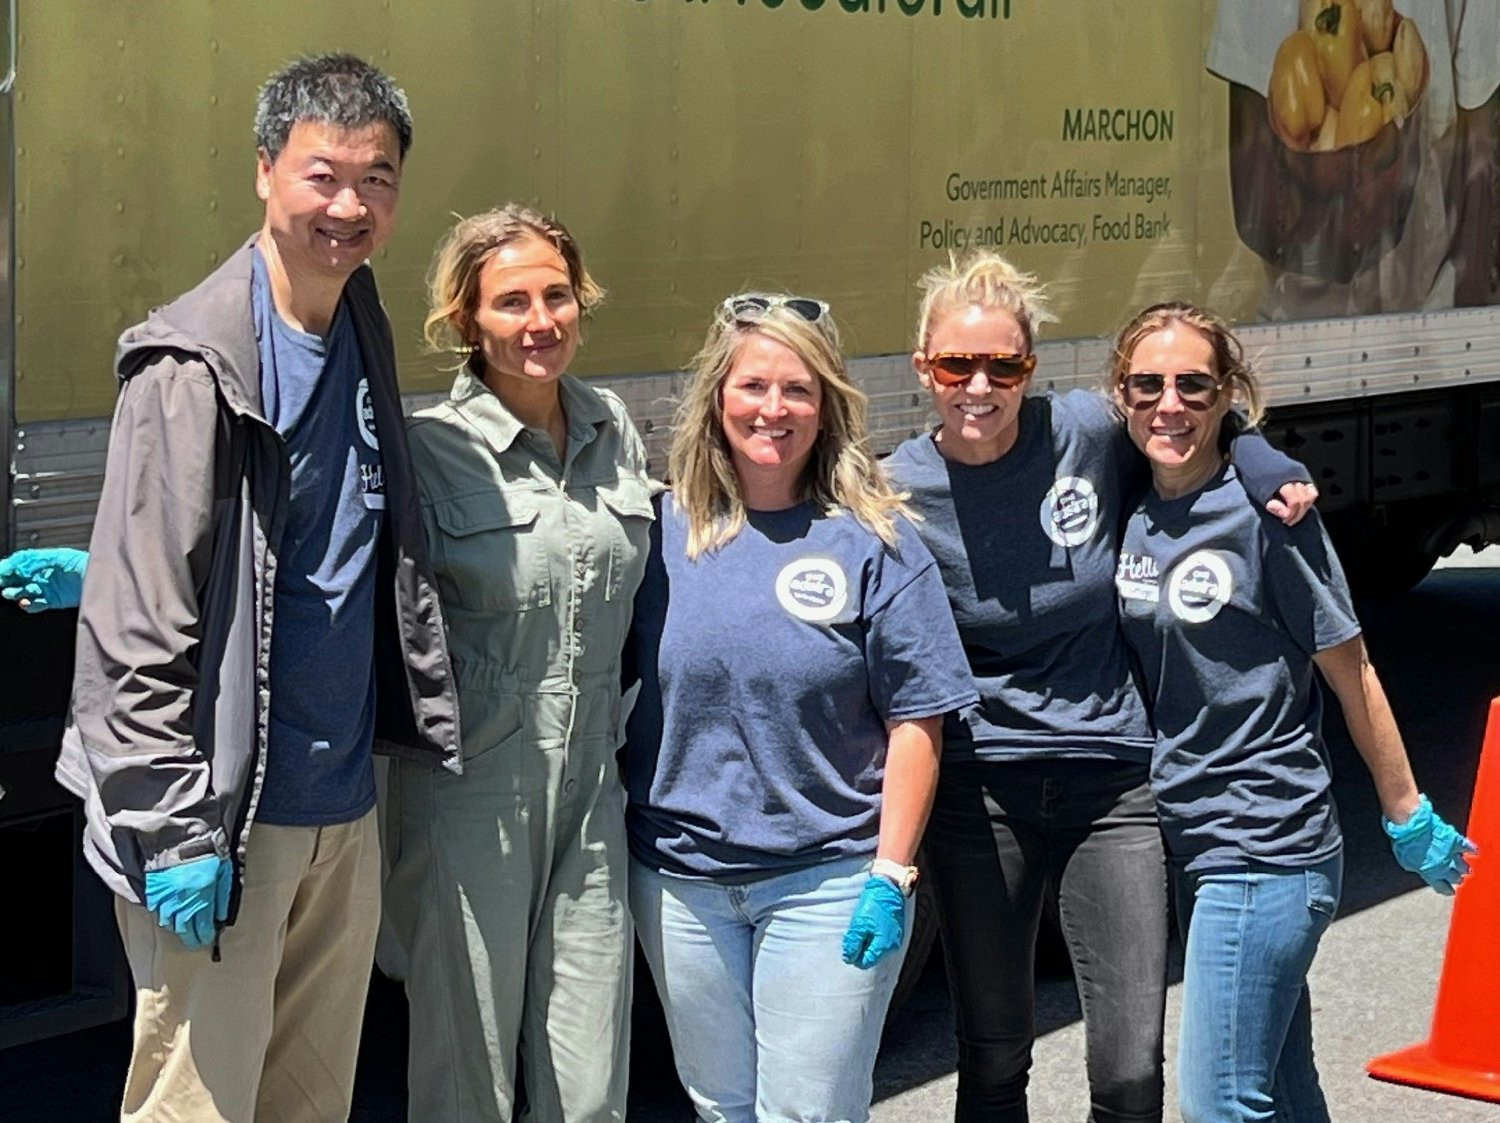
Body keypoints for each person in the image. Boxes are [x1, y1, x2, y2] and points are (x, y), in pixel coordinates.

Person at [37, 55, 459, 1123]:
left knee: (308, 1107)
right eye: (323, 175)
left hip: (339, 811)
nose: (349, 206)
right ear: (265, 171)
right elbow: (135, 629)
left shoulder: (359, 319)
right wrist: (174, 830)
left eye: (377, 179)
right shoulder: (189, 367)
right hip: (228, 819)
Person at [881, 250, 1318, 1123]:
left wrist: (1260, 451)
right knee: (994, 1058)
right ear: (922, 368)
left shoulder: (1081, 429)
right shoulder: (897, 488)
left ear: (1030, 370)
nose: (979, 385)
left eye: (1003, 364)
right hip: (982, 792)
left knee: (1130, 1071)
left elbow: (1181, 415)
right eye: (956, 364)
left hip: (1116, 782)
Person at [1111, 301, 1475, 1122]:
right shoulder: (1133, 501)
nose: (1170, 403)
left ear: (1227, 392)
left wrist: (1406, 811)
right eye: (1148, 384)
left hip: (1266, 843)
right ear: (1122, 393)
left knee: (1220, 1103)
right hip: (1196, 841)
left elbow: (1353, 673)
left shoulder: (1271, 520)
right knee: (1282, 1087)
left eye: (1195, 385)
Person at [623, 293, 978, 1123]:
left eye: (798, 390)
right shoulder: (658, 528)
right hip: (681, 882)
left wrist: (891, 872)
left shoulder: (874, 539)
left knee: (805, 1114)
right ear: (718, 396)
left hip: (828, 877)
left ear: (827, 407)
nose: (772, 410)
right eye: (752, 386)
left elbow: (918, 720)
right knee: (722, 1107)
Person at [381, 204, 655, 1123]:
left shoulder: (613, 425)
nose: (540, 321)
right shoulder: (429, 449)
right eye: (511, 302)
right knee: (468, 1075)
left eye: (556, 295)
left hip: (592, 793)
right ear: (466, 321)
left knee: (589, 1083)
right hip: (473, 793)